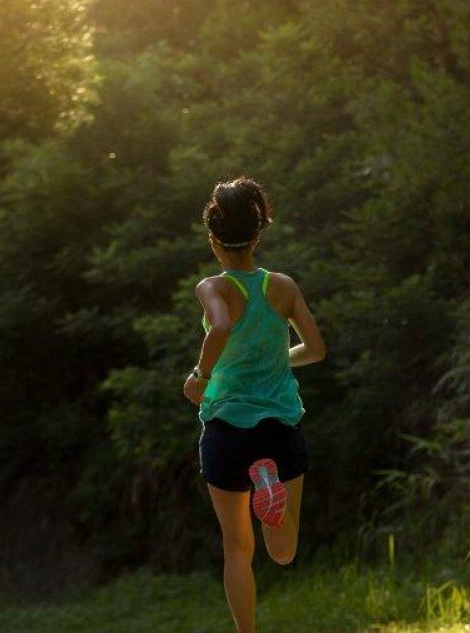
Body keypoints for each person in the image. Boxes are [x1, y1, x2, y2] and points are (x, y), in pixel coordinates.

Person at [182, 177, 326, 633]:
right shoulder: (282, 287)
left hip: (227, 427)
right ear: (258, 235)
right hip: (280, 427)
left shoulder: (213, 287)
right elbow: (316, 349)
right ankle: (269, 486)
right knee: (282, 551)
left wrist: (200, 377)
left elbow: (220, 327)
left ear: (213, 240)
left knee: (236, 549)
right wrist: (279, 359)